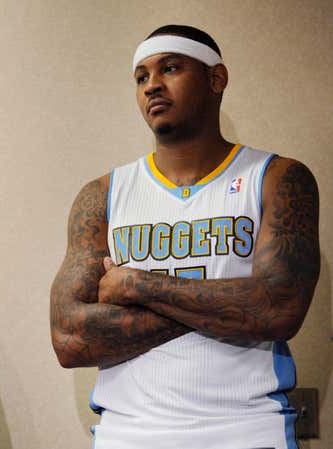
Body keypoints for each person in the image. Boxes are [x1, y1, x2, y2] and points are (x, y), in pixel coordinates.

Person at [50, 25, 319, 449]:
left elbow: (279, 309)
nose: (152, 85)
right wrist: (228, 308)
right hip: (129, 434)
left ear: (217, 79)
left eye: (170, 68)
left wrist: (135, 285)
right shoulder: (102, 195)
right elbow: (70, 339)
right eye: (141, 77)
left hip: (248, 431)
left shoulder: (277, 178)